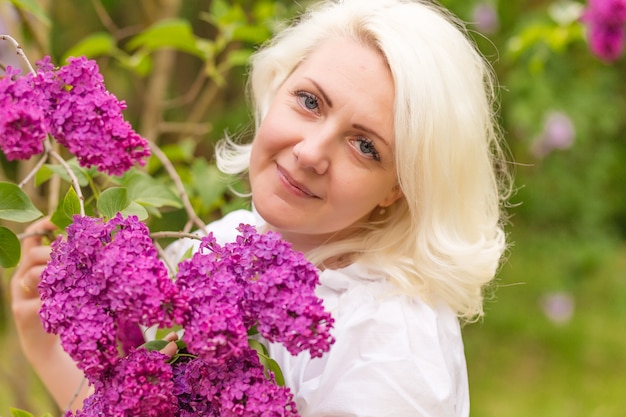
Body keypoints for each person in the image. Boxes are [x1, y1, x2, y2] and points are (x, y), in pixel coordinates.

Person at [11, 0, 511, 415]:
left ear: (399, 188)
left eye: (365, 146)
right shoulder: (233, 239)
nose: (312, 152)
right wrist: (46, 338)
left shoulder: (386, 345)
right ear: (278, 87)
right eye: (310, 101)